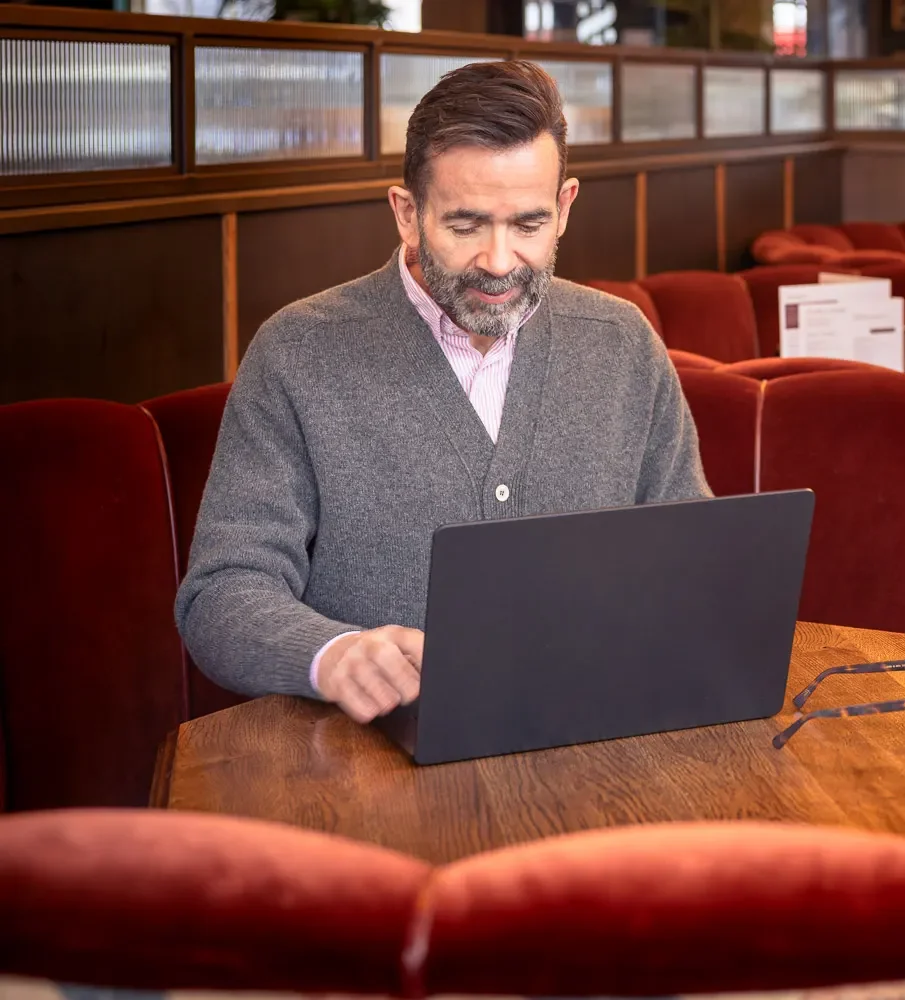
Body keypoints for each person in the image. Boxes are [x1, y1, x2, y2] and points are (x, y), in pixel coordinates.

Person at [175, 60, 711, 725]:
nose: (499, 260)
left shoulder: (622, 342)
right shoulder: (299, 352)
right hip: (366, 770)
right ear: (407, 213)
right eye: (465, 225)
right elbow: (221, 594)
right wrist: (333, 653)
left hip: (592, 747)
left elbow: (693, 560)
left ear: (565, 207)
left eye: (528, 225)